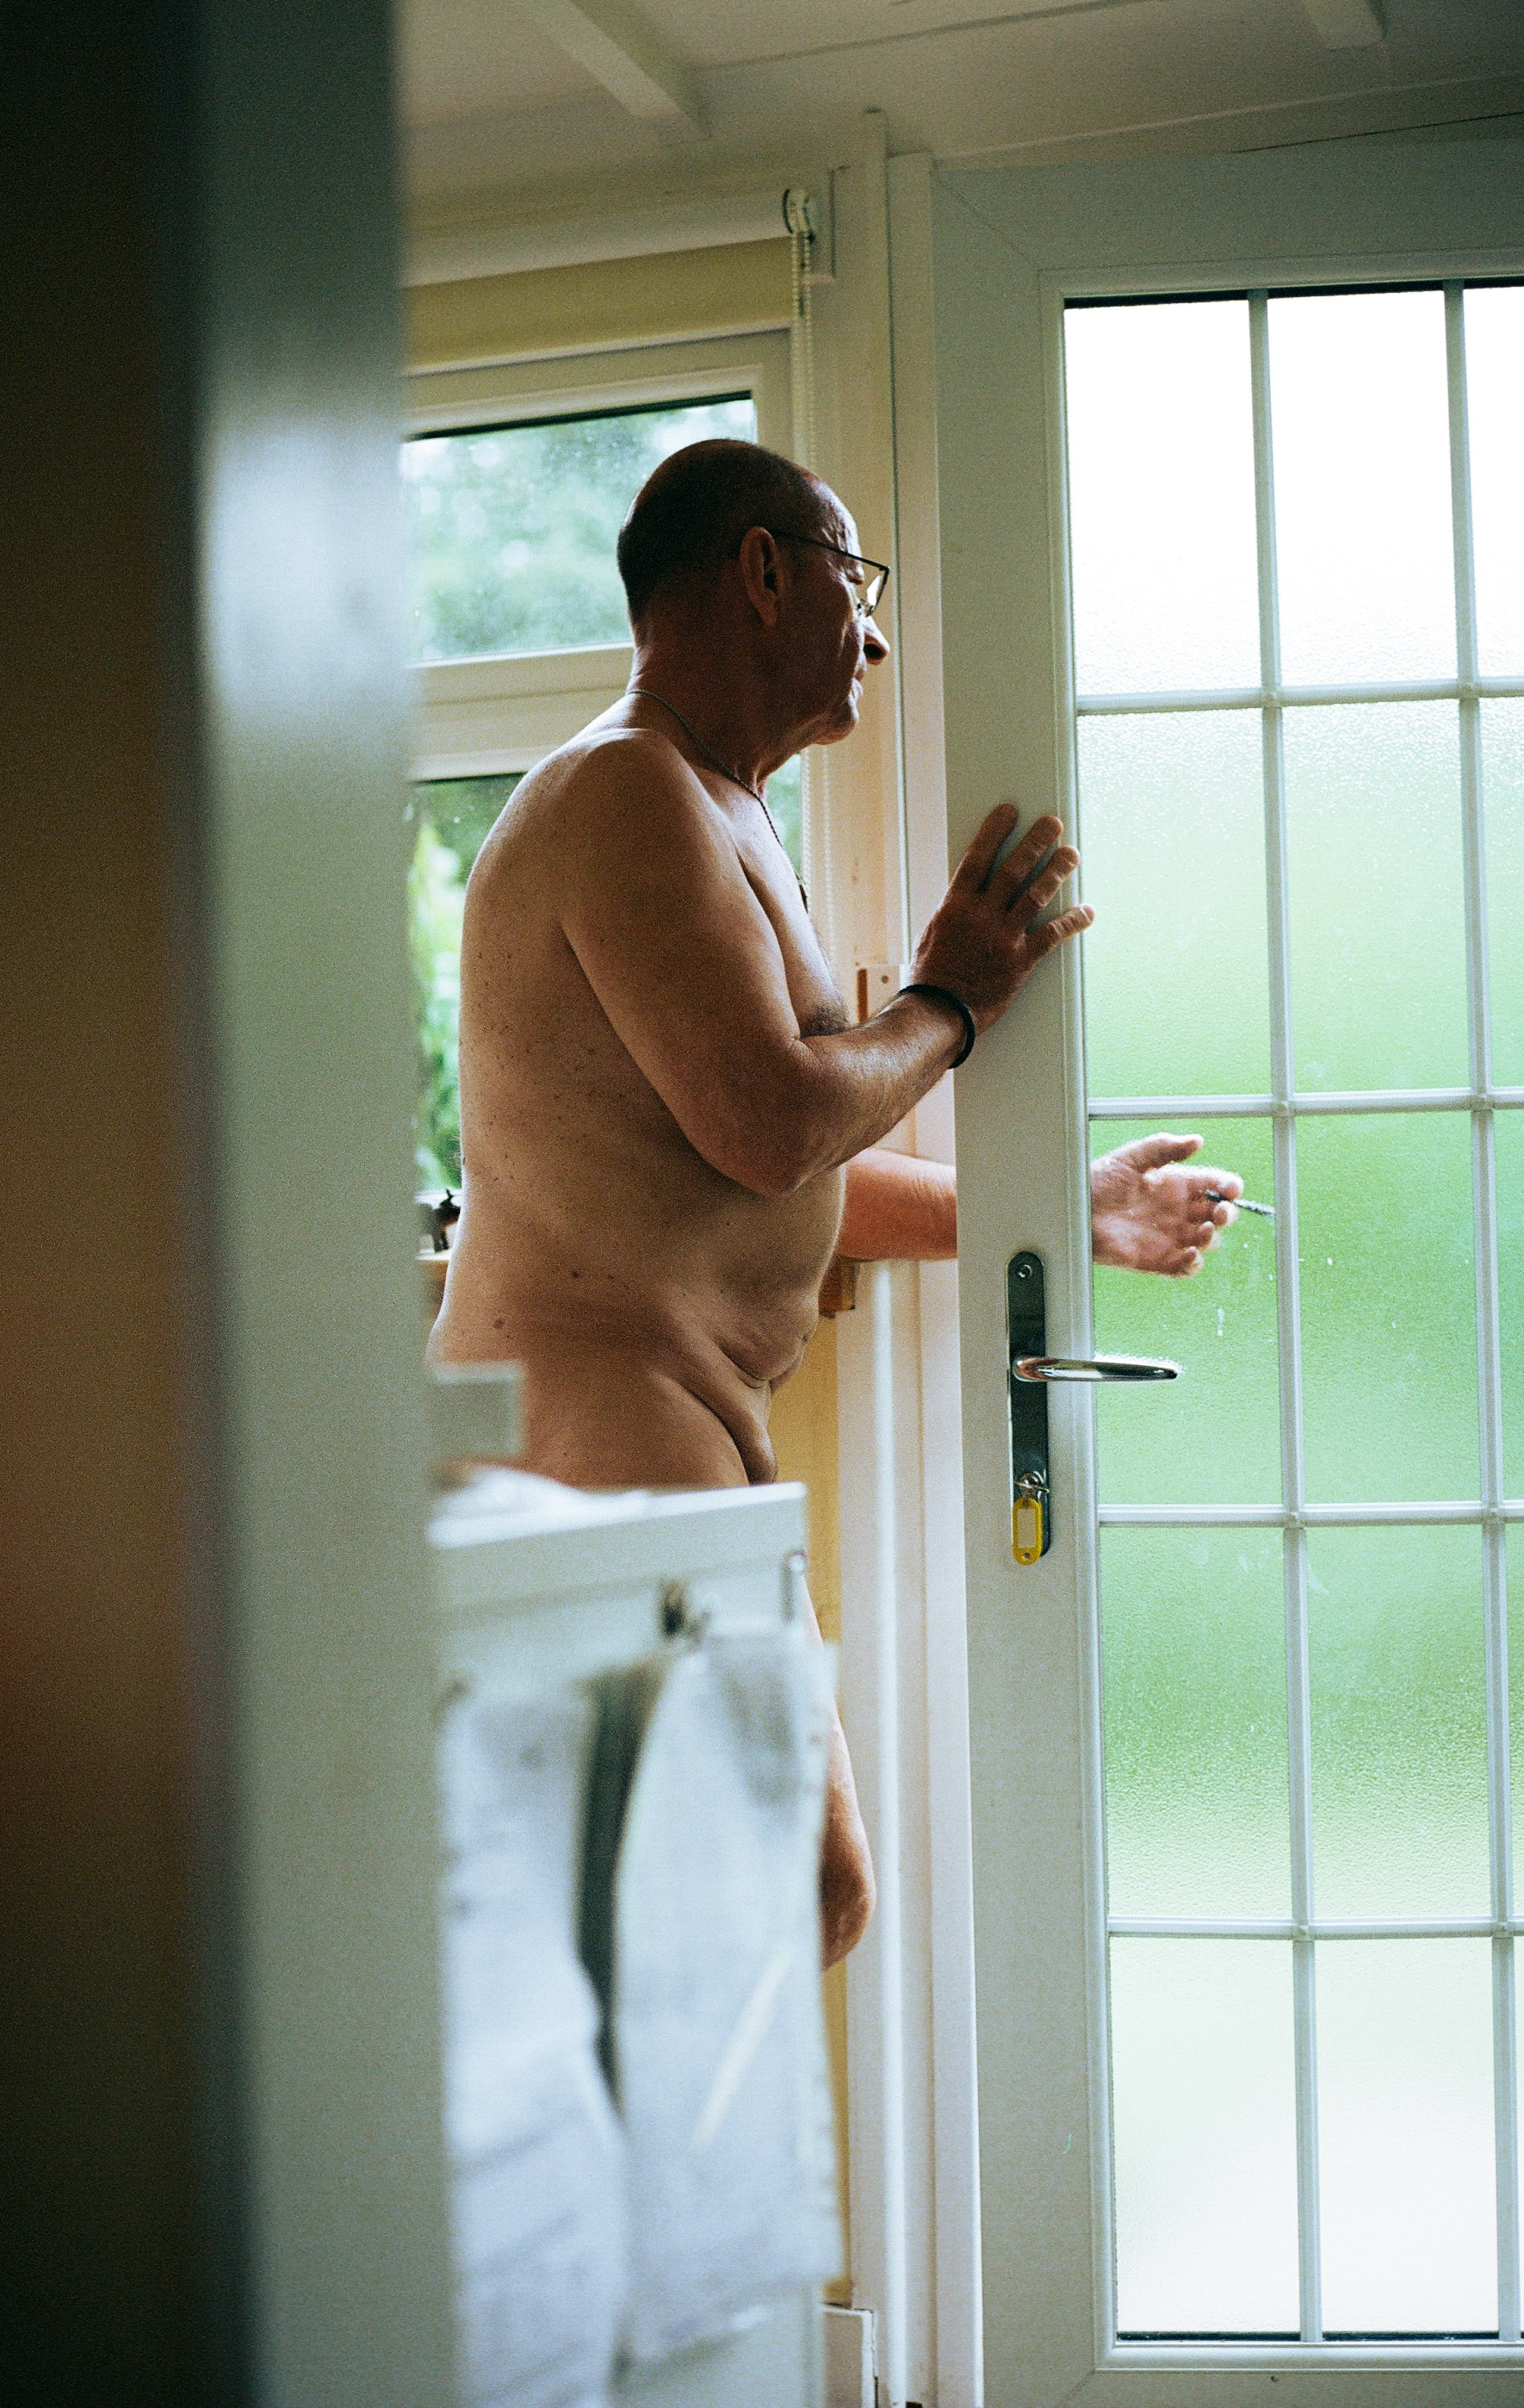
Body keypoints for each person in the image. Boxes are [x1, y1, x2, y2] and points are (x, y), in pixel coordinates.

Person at [429, 439, 1242, 1965]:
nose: (870, 635)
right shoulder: (627, 793)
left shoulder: (710, 807)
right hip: (594, 1429)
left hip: (654, 1425)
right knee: (774, 1901)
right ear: (761, 571)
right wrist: (952, 999)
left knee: (728, 1915)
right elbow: (770, 1123)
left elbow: (778, 1160)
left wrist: (1064, 1209)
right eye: (853, 581)